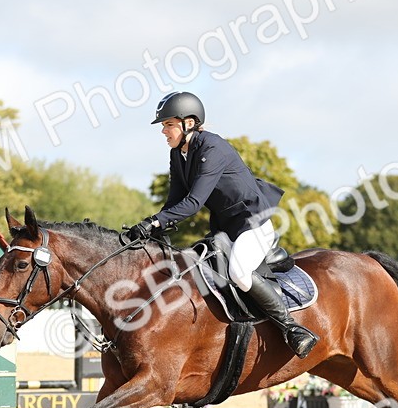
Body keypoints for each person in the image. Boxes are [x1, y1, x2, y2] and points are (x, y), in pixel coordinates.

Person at [127, 91, 318, 358]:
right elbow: (174, 201)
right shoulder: (178, 155)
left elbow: (193, 202)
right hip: (225, 229)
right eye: (164, 126)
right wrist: (150, 228)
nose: (164, 131)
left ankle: (292, 329)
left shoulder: (212, 148)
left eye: (168, 124)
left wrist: (154, 222)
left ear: (189, 123)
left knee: (240, 273)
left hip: (253, 223)